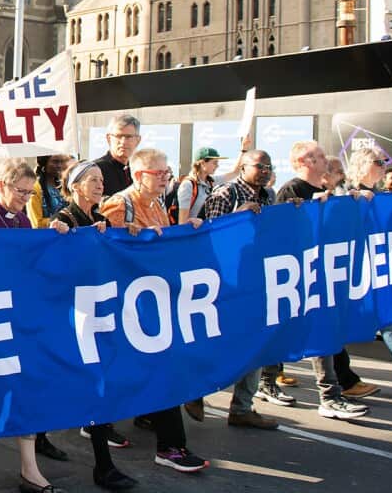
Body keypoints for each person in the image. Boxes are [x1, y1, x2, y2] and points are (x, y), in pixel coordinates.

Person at [98, 148, 210, 473]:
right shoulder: (120, 205)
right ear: (138, 175)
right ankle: (170, 446)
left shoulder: (158, 202)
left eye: (166, 172)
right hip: (126, 307)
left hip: (150, 303)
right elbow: (102, 251)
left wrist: (188, 230)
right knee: (160, 368)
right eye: (157, 173)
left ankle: (115, 420)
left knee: (142, 368)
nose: (165, 178)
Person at [0, 161, 68, 486]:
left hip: (13, 316)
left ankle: (29, 466)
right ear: (2, 185)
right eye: (20, 191)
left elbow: (30, 262)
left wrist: (53, 236)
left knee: (24, 385)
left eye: (29, 192)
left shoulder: (22, 220)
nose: (24, 197)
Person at [47, 161, 136, 491]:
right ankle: (101, 464)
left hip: (95, 317)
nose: (100, 185)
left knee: (93, 385)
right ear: (75, 186)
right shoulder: (63, 221)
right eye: (93, 180)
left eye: (101, 180)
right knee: (78, 384)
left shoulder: (100, 221)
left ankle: (104, 465)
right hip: (70, 319)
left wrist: (125, 237)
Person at [273, 141, 373, 418]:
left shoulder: (326, 191)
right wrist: (310, 211)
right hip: (298, 275)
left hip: (323, 273)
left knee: (322, 330)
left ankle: (330, 395)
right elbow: (281, 232)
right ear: (302, 162)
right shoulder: (292, 189)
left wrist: (352, 205)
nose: (324, 160)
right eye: (316, 156)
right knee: (286, 330)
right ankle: (272, 383)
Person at [199, 150, 284, 430]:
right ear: (244, 167)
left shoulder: (269, 196)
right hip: (227, 281)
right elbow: (209, 234)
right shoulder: (226, 193)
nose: (265, 170)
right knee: (219, 340)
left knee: (256, 341)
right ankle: (195, 389)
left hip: (256, 279)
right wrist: (238, 215)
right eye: (259, 166)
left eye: (268, 166)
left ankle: (242, 407)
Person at [344, 147, 392, 387]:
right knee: (337, 321)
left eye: (384, 161)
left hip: (376, 267)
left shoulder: (382, 196)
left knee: (388, 313)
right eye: (378, 161)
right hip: (350, 269)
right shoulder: (346, 193)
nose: (383, 165)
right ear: (362, 164)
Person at [173, 147, 225, 224]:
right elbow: (182, 223)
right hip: (191, 234)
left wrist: (243, 150)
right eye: (214, 162)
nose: (217, 166)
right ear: (203, 163)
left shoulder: (210, 182)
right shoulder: (188, 185)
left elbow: (234, 173)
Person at [95, 114, 142, 196]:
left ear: (138, 140)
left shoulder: (138, 170)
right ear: (109, 138)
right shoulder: (96, 169)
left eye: (128, 137)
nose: (123, 142)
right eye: (119, 136)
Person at [26, 154, 69, 228]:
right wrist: (61, 221)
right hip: (46, 236)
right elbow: (36, 223)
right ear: (44, 163)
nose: (59, 165)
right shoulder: (35, 188)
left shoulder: (63, 186)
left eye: (62, 162)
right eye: (55, 162)